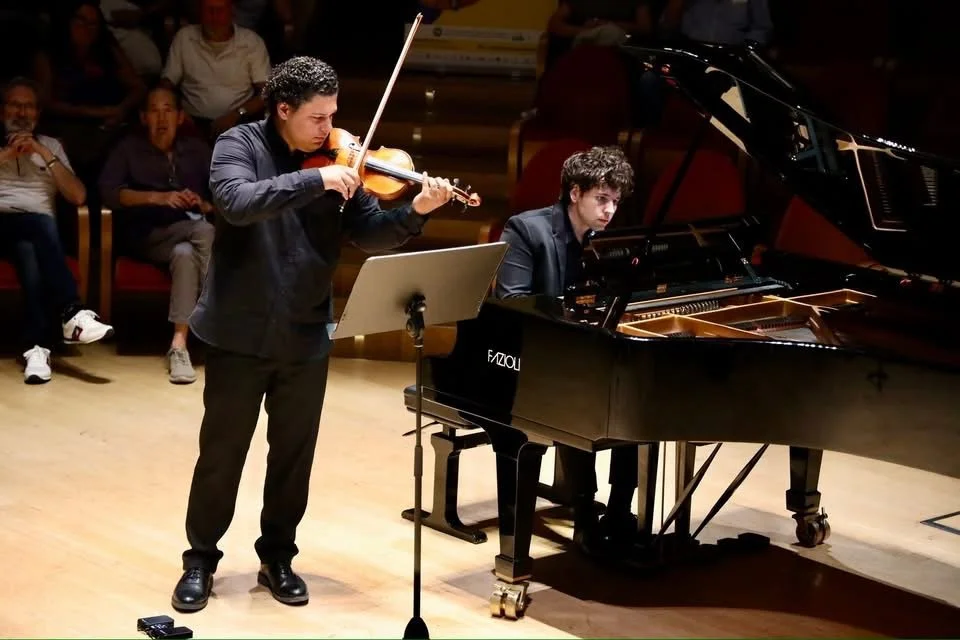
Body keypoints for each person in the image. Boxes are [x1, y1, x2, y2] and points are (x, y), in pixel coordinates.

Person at [171, 55, 456, 612]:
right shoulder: (238, 146)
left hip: (305, 332)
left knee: (293, 456)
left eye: (333, 115)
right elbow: (236, 203)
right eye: (318, 118)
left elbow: (369, 232)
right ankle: (200, 560)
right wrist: (315, 179)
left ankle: (278, 557)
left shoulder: (343, 161)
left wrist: (416, 211)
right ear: (283, 109)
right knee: (222, 455)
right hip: (238, 332)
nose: (331, 129)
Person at [494, 145, 639, 556]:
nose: (610, 211)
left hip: (576, 353)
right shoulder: (526, 230)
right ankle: (584, 511)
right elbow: (513, 302)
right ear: (575, 193)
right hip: (525, 357)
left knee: (636, 396)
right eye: (602, 199)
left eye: (615, 202)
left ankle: (621, 509)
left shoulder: (605, 240)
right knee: (578, 396)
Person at [0, 76, 114, 384]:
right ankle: (71, 311)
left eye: (29, 107)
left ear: (37, 114)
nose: (22, 113)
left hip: (35, 235)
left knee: (29, 250)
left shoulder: (50, 146)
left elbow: (78, 196)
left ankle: (36, 349)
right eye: (14, 105)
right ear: (2, 111)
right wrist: (7, 155)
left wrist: (41, 151)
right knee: (40, 223)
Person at [99, 84, 215, 384]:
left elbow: (222, 196)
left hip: (185, 238)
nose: (162, 118)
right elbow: (109, 192)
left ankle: (179, 346)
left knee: (185, 254)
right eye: (154, 111)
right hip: (145, 235)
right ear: (143, 117)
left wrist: (202, 203)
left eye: (168, 111)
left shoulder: (197, 150)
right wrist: (157, 198)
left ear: (180, 117)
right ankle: (218, 322)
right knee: (204, 230)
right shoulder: (128, 149)